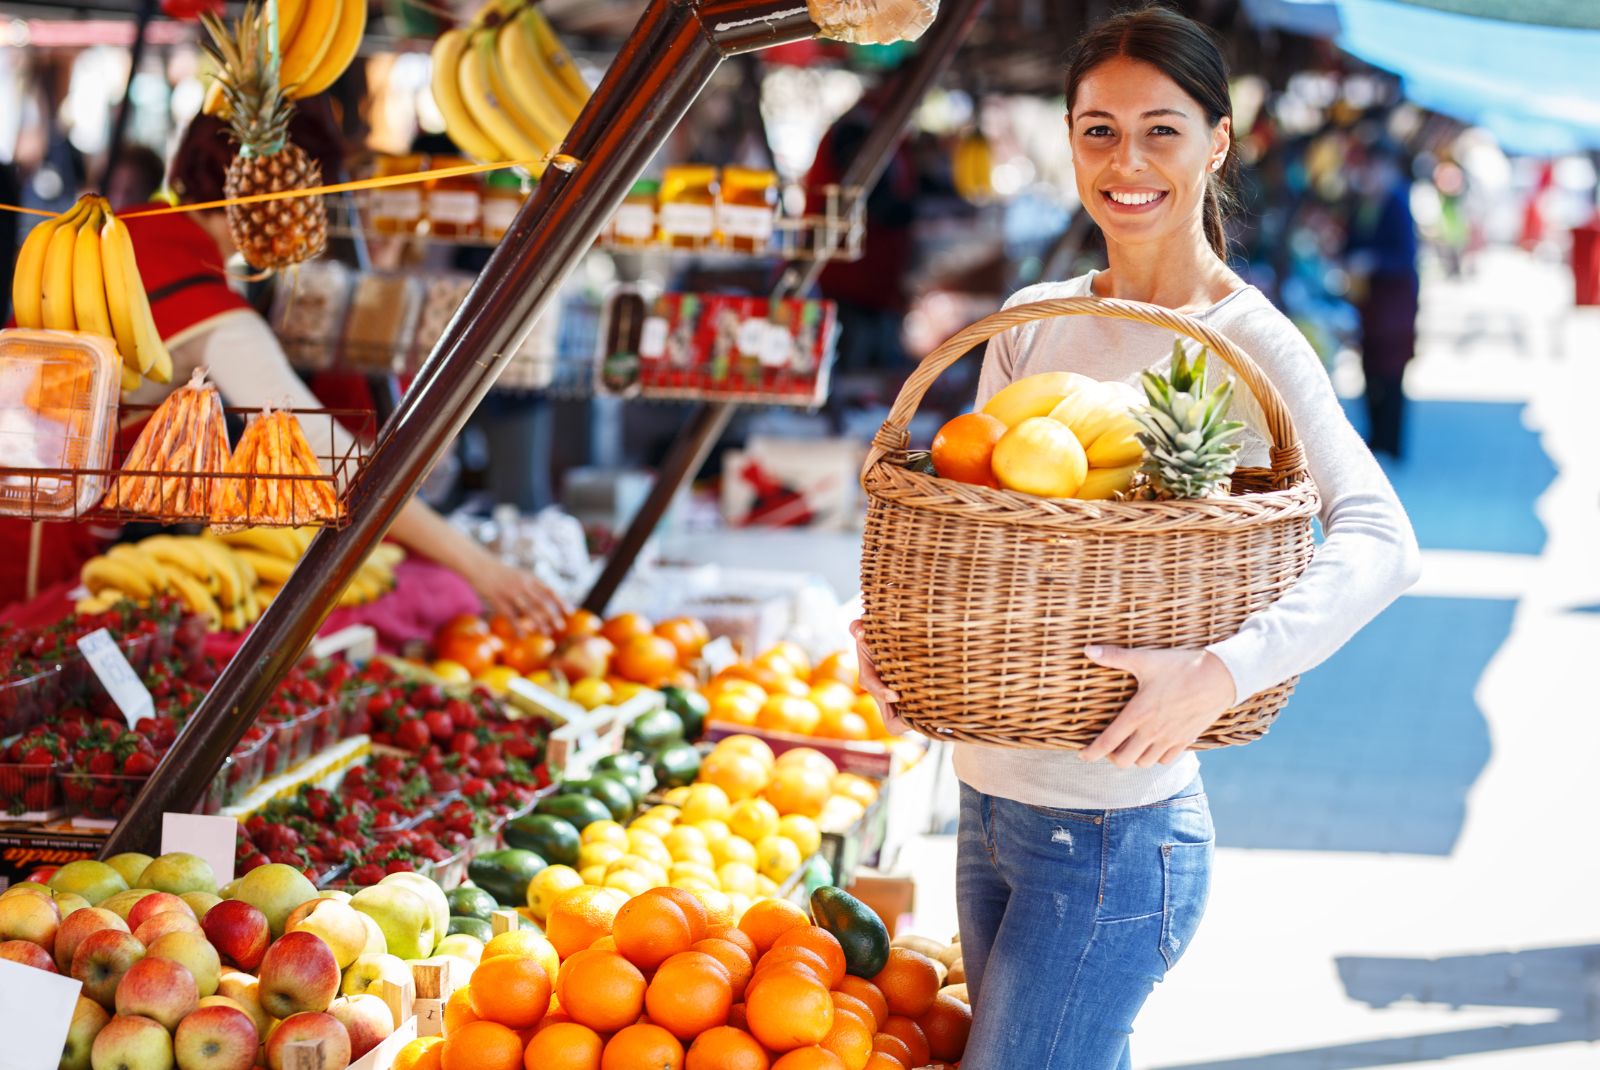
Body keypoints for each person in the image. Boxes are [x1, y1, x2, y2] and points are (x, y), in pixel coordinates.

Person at [851, 9, 1419, 1068]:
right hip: (984, 802)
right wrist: (887, 627)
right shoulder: (1027, 317)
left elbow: (1384, 537)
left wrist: (1221, 669)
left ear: (1217, 140)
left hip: (1113, 836)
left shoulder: (1249, 340)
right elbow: (974, 527)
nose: (1126, 162)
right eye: (1097, 130)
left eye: (1160, 130)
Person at [115, 110, 567, 629]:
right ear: (275, 197)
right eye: (311, 205)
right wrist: (483, 570)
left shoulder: (129, 231)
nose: (311, 229)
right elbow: (334, 460)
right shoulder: (213, 314)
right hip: (49, 539)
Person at [1345, 138, 1419, 460]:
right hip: (1371, 304)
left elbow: (1404, 256)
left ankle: (1391, 442)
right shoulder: (1367, 203)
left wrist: (1373, 261)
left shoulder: (1397, 203)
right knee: (1370, 367)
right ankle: (1376, 436)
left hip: (1394, 305)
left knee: (1391, 373)